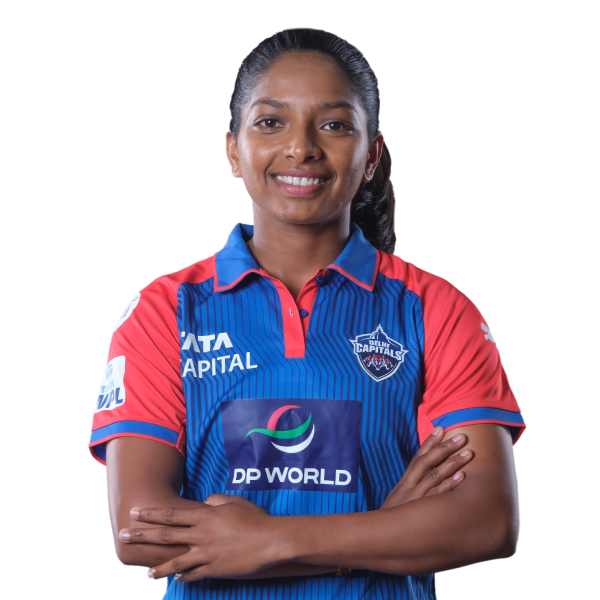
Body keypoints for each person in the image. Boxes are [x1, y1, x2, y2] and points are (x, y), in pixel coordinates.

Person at [88, 27, 525, 599]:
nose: (301, 148)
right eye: (271, 122)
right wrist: (379, 532)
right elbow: (140, 533)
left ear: (371, 156)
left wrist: (270, 541)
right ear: (233, 151)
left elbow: (487, 521)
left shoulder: (437, 309)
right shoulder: (165, 309)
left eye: (335, 125)